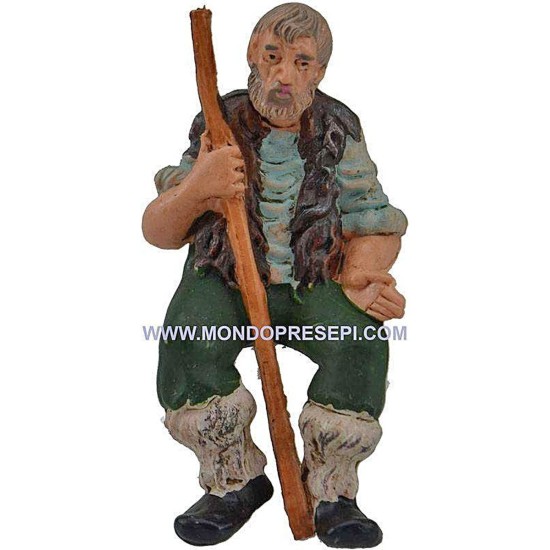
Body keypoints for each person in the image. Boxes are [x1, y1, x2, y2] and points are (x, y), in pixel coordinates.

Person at [142, 3, 407, 547]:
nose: (285, 75)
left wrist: (364, 275)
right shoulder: (218, 122)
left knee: (358, 339)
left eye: (302, 62)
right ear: (252, 57)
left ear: (320, 71)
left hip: (313, 278)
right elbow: (159, 230)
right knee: (191, 334)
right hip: (226, 276)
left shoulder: (338, 127)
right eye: (272, 57)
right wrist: (199, 187)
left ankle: (331, 488)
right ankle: (234, 478)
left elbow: (372, 214)